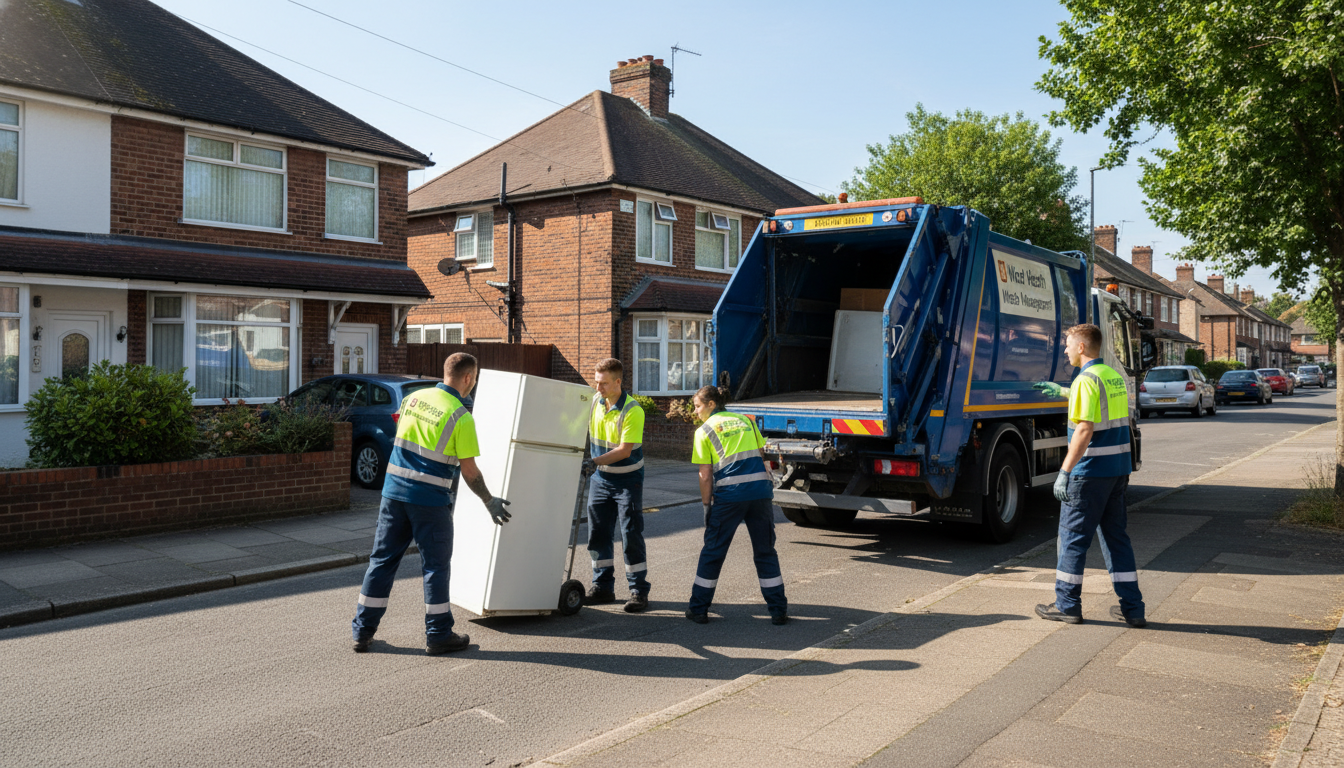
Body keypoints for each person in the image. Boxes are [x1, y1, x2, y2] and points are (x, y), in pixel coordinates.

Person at [351, 352, 513, 655]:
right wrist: (489, 501)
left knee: (382, 561)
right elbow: (469, 471)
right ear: (467, 378)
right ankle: (438, 634)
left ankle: (362, 631)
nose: (474, 383)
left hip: (393, 494)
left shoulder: (413, 399)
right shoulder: (461, 416)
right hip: (428, 501)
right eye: (474, 378)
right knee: (435, 568)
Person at [1032, 324, 1146, 628]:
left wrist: (1064, 470)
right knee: (1117, 540)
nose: (1066, 350)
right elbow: (1102, 404)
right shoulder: (1113, 377)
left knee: (1072, 540)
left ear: (1082, 347)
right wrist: (1064, 391)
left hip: (1090, 473)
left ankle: (1067, 604)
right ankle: (1133, 609)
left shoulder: (1085, 380)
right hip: (1117, 472)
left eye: (1068, 345)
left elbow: (1084, 428)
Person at [685, 385, 787, 625]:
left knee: (713, 551)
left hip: (730, 496)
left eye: (698, 406)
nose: (696, 412)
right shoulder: (747, 421)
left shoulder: (704, 431)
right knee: (765, 551)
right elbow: (761, 454)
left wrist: (706, 505)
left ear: (711, 404)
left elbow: (705, 475)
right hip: (760, 493)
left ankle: (698, 609)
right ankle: (778, 610)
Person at [583, 358, 650, 612]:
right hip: (600, 479)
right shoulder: (594, 402)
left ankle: (638, 591)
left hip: (627, 481)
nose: (597, 388)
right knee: (597, 534)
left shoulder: (633, 410)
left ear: (618, 382)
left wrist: (593, 462)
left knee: (631, 534)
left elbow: (624, 451)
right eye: (596, 382)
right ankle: (602, 588)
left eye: (603, 383)